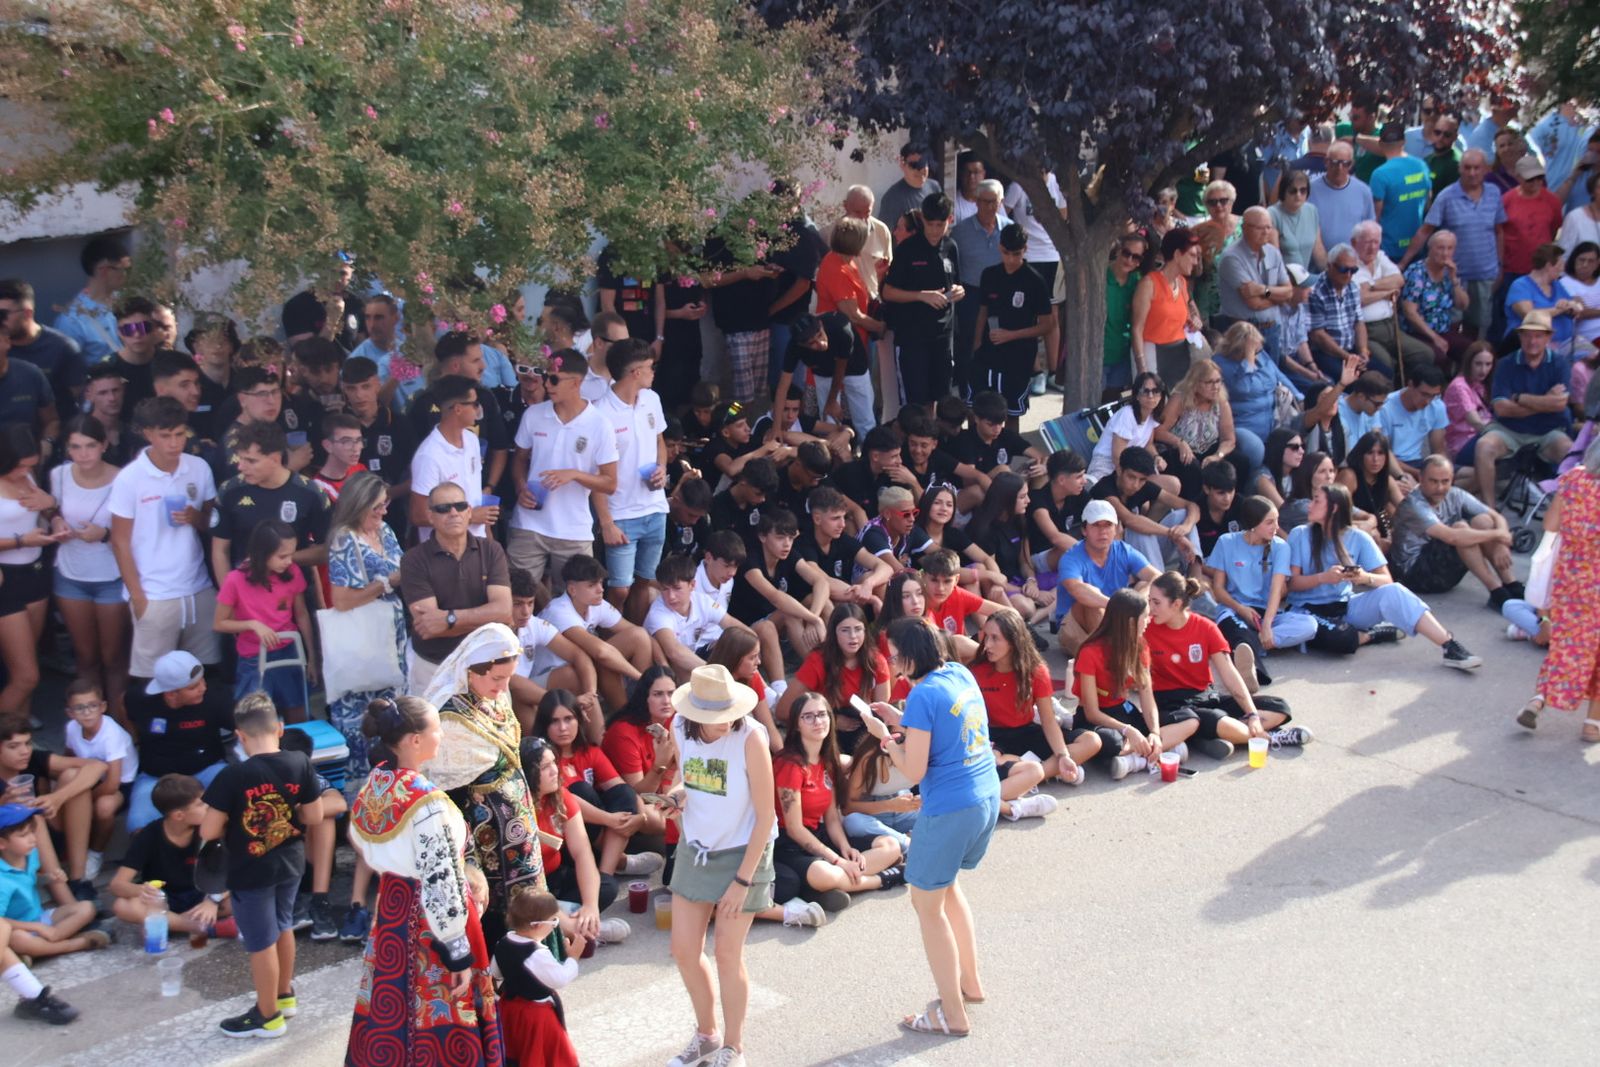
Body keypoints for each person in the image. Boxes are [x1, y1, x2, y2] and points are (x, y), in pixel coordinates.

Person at [856, 617, 999, 1039]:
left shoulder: (922, 696)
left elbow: (913, 767)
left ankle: (951, 1014)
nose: (893, 663)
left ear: (910, 655)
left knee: (926, 904)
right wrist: (901, 718)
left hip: (951, 808)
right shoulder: (958, 673)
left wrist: (885, 737)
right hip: (985, 795)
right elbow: (943, 727)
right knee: (948, 886)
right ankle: (970, 984)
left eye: (896, 655)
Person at [346, 695, 502, 1067]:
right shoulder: (426, 801)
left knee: (391, 997)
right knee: (440, 1005)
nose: (441, 736)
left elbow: (360, 841)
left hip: (391, 907)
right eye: (436, 729)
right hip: (431, 921)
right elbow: (440, 879)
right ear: (415, 739)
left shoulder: (377, 784)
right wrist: (456, 950)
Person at [653, 665, 779, 1067]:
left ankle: (734, 1047)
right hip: (698, 846)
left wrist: (743, 880)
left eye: (727, 712)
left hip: (746, 850)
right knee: (683, 950)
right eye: (712, 716)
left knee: (727, 953)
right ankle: (707, 1035)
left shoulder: (751, 737)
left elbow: (765, 815)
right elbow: (687, 779)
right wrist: (674, 797)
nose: (722, 722)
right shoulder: (678, 728)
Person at [200, 692, 325, 1038]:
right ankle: (284, 995)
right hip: (291, 862)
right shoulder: (300, 762)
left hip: (251, 869)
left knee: (259, 942)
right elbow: (314, 815)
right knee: (283, 925)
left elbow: (209, 830)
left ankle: (267, 1015)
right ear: (280, 728)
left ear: (240, 736)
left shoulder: (233, 775)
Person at [421, 623, 547, 947]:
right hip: (487, 845)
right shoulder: (450, 719)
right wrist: (468, 861)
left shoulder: (494, 697)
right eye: (496, 678)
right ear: (472, 669)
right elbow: (448, 797)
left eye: (508, 678)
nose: (503, 687)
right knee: (499, 919)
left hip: (518, 836)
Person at [1286, 482, 1481, 668]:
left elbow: (1386, 580)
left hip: (1345, 606)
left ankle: (1450, 646)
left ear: (1334, 508)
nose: (1310, 505)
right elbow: (1292, 584)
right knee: (1343, 640)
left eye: (1317, 501)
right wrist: (1322, 578)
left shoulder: (1358, 537)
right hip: (1306, 610)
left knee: (1394, 592)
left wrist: (1364, 577)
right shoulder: (1300, 534)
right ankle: (1374, 634)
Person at [108, 397, 221, 680]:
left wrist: (194, 517)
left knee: (203, 672)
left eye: (180, 434)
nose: (174, 443)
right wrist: (139, 598)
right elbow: (119, 540)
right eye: (165, 436)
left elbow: (212, 522)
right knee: (152, 680)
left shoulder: (198, 467)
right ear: (147, 434)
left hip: (198, 588)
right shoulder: (129, 478)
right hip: (154, 593)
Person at [1145, 572, 1308, 758]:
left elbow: (1229, 673)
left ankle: (1211, 737)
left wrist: (1253, 715)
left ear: (1176, 604)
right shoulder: (1146, 630)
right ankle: (1270, 737)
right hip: (1172, 705)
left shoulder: (1205, 627)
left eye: (1156, 602)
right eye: (1150, 601)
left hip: (1205, 696)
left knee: (1279, 707)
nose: (1150, 608)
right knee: (1213, 720)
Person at [770, 690, 907, 912]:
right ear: (796, 725)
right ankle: (882, 879)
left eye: (823, 714)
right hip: (789, 845)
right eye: (808, 716)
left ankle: (827, 888)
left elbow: (832, 817)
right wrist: (837, 861)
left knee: (890, 846)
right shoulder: (790, 765)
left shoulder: (827, 761)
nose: (818, 721)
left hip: (820, 835)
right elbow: (794, 829)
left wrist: (845, 849)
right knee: (824, 873)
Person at [323, 472, 406, 807]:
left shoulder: (385, 531)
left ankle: (390, 792)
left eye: (384, 505)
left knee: (391, 714)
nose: (383, 512)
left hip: (390, 635)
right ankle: (360, 803)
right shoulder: (344, 539)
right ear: (358, 505)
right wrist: (386, 583)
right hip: (361, 639)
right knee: (358, 722)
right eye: (376, 507)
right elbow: (341, 599)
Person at [1515, 435, 1600, 742]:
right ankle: (1593, 723)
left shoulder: (1574, 478)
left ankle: (1539, 700)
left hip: (1569, 580)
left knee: (1567, 645)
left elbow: (1551, 524)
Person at [48, 416, 129, 724]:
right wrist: (55, 520)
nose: (83, 454)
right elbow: (51, 509)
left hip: (111, 576)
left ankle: (121, 727)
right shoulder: (58, 475)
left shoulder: (122, 478)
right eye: (75, 447)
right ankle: (88, 726)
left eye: (90, 446)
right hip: (70, 575)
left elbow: (136, 532)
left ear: (104, 445)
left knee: (114, 658)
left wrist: (105, 535)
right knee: (85, 657)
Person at [533, 689, 662, 880]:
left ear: (579, 720)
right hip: (563, 838)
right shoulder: (544, 760)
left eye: (568, 719)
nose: (563, 728)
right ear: (545, 725)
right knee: (580, 790)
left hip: (596, 831)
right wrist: (610, 819)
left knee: (623, 793)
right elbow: (565, 801)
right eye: (555, 721)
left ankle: (606, 874)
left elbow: (623, 789)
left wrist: (641, 817)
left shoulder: (589, 752)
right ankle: (619, 861)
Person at [398, 481, 513, 695]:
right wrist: (485, 620)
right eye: (443, 508)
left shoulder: (491, 550)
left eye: (460, 506)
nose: (453, 513)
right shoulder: (413, 560)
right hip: (434, 667)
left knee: (493, 729)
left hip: (487, 665)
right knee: (433, 729)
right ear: (430, 516)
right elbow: (430, 627)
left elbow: (504, 613)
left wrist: (449, 619)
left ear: (469, 512)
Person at [521, 739, 629, 945]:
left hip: (557, 878)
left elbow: (582, 852)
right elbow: (523, 879)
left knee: (606, 887)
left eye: (554, 762)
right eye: (545, 767)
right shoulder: (518, 808)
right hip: (530, 886)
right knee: (529, 905)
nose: (554, 770)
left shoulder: (560, 796)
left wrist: (590, 906)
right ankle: (585, 931)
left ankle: (571, 923)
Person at [971, 607, 1095, 784]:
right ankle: (1039, 772)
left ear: (1013, 642)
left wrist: (1063, 755)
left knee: (1091, 741)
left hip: (1027, 731)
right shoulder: (976, 670)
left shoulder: (1036, 671)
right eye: (986, 636)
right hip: (994, 737)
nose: (987, 644)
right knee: (989, 761)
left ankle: (1030, 775)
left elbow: (1048, 720)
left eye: (995, 638)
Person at [1204, 495, 1317, 687]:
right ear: (1253, 524)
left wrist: (1266, 626)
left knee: (1309, 625)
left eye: (1277, 521)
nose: (1276, 527)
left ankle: (1253, 644)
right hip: (1234, 609)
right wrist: (1241, 609)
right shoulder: (1227, 542)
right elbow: (1218, 589)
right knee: (1234, 628)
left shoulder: (1281, 547)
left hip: (1266, 613)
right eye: (1269, 522)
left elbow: (1276, 591)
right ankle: (1253, 672)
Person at [109, 773, 234, 940]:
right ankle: (199, 927)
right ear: (179, 816)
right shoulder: (149, 836)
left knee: (245, 892)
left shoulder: (211, 828)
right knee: (122, 906)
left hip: (204, 894)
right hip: (164, 901)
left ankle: (169, 923)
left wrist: (212, 901)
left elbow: (234, 870)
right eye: (201, 804)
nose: (208, 807)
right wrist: (143, 890)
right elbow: (117, 885)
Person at [214, 520, 317, 722]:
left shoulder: (292, 571)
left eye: (292, 554)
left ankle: (296, 750)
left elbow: (302, 614)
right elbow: (219, 623)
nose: (289, 561)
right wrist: (252, 624)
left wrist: (311, 656)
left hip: (289, 649)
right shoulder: (235, 579)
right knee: (256, 717)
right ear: (263, 553)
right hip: (253, 655)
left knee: (298, 709)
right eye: (282, 556)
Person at [1400, 149, 1506, 341]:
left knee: (1480, 328)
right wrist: (1404, 262)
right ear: (1460, 169)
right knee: (1453, 327)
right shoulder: (1447, 196)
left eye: (1477, 168)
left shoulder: (1494, 193)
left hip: (1486, 273)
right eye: (1467, 167)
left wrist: (1501, 265)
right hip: (1454, 274)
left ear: (1485, 170)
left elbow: (1499, 231)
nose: (1472, 173)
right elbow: (1426, 230)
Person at [1473, 309, 1575, 503]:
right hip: (1508, 429)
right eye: (1527, 335)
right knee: (1484, 446)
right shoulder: (1505, 364)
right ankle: (1489, 508)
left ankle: (1563, 514)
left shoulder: (1560, 363)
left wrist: (1520, 398)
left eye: (1538, 336)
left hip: (1548, 431)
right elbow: (1502, 408)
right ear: (1519, 336)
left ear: (1548, 338)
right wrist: (1545, 400)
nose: (1532, 341)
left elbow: (1560, 404)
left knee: (1570, 452)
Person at [1389, 455, 1521, 604]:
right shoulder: (1413, 505)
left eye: (1445, 481)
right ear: (1421, 478)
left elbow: (1496, 516)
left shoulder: (1455, 494)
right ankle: (1497, 591)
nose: (1439, 488)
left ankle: (1511, 583)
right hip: (1413, 574)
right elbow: (1452, 537)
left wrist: (1501, 543)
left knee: (1482, 520)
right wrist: (1498, 535)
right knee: (1461, 529)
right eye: (1433, 481)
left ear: (1452, 479)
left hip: (1440, 567)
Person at [0, 718, 106, 901]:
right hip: (11, 849)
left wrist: (57, 798)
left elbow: (98, 766)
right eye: (13, 746)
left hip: (46, 837)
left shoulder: (33, 759)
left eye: (27, 743)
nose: (24, 751)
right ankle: (65, 898)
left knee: (73, 777)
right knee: (32, 816)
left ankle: (77, 880)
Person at [883, 193, 966, 412]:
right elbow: (888, 292)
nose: (935, 230)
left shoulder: (951, 247)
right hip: (913, 337)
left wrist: (959, 291)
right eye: (930, 224)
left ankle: (932, 443)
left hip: (943, 336)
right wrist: (921, 295)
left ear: (950, 220)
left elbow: (956, 283)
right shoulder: (908, 249)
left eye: (940, 224)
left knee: (941, 398)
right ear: (923, 221)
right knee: (915, 402)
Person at [0, 427, 59, 723]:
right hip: (5, 580)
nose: (26, 471)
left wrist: (53, 512)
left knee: (23, 666)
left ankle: (19, 735)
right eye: (20, 465)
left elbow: (42, 511)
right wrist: (23, 541)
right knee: (27, 676)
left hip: (34, 573)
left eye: (31, 465)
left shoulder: (28, 476)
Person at [1054, 499, 1161, 654]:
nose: (1103, 531)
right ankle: (1123, 651)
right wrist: (1118, 606)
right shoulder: (1071, 558)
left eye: (1108, 525)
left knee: (1145, 587)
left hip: (1117, 619)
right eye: (1096, 525)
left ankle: (1127, 648)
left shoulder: (1124, 551)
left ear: (1116, 528)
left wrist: (1137, 602)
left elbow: (1157, 577)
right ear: (1084, 530)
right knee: (1090, 604)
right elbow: (1077, 589)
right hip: (1076, 625)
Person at [776, 603, 890, 747]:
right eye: (845, 630)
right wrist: (832, 720)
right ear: (834, 633)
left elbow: (882, 712)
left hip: (862, 724)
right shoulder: (818, 661)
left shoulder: (876, 661)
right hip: (823, 725)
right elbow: (783, 711)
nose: (853, 636)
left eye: (858, 629)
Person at [971, 222, 1052, 419]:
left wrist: (1012, 335)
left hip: (1019, 358)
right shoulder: (989, 275)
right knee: (979, 408)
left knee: (1011, 412)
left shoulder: (1035, 281)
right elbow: (983, 311)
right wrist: (977, 344)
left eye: (1017, 254)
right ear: (1000, 248)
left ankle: (1010, 450)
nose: (1011, 259)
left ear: (1025, 249)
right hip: (988, 355)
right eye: (1007, 253)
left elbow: (1048, 325)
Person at [494, 890, 580, 1067]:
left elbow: (495, 974)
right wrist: (573, 957)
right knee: (545, 1056)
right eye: (554, 921)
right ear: (537, 925)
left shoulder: (503, 943)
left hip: (510, 1009)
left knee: (517, 1053)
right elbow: (559, 979)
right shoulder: (537, 954)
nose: (555, 925)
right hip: (536, 1015)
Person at [61, 679, 135, 873]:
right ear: (70, 713)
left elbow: (112, 784)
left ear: (103, 707)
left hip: (121, 785)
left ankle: (96, 852)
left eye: (92, 706)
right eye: (79, 708)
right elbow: (68, 756)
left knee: (104, 807)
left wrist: (81, 800)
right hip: (90, 779)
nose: (87, 712)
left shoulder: (111, 734)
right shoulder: (71, 728)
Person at [1156, 357, 1251, 498]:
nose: (1216, 387)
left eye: (1218, 381)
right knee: (1192, 468)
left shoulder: (1221, 402)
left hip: (1210, 449)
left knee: (1241, 461)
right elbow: (1158, 431)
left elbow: (1229, 440)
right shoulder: (1179, 399)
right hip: (1180, 451)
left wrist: (1218, 456)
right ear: (1195, 383)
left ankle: (1234, 503)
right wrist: (1180, 443)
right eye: (1209, 382)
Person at [1352, 220, 1436, 371]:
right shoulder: (1350, 263)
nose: (1372, 248)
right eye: (1367, 242)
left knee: (1425, 354)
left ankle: (1411, 390)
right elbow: (1361, 298)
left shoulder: (1380, 257)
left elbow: (1399, 280)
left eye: (1376, 242)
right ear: (1354, 242)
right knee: (1386, 364)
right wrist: (1387, 292)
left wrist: (1371, 286)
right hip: (1367, 331)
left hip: (1391, 325)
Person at [0, 277, 86, 419]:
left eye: (2, 315)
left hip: (55, 430)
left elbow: (82, 399)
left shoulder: (62, 347)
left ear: (27, 313)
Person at [1131, 227, 1204, 384]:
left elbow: (1184, 316)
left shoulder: (1182, 283)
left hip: (1179, 355)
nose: (1196, 261)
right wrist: (1142, 369)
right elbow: (1137, 329)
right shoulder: (1149, 284)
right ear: (1177, 255)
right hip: (1153, 353)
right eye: (1192, 255)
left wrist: (1193, 321)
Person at [1213, 321, 1293, 465]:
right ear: (1237, 349)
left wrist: (1299, 397)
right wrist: (1249, 359)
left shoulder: (1261, 355)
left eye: (1258, 350)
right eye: (1253, 350)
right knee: (1255, 449)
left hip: (1273, 420)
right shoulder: (1220, 364)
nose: (1257, 355)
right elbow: (1243, 388)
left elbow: (1278, 375)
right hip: (1244, 428)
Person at [53, 235, 128, 364]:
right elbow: (68, 371)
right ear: (104, 270)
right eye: (124, 270)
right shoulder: (72, 321)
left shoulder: (128, 302)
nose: (127, 275)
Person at [1368, 122, 1433, 261]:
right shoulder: (1421, 165)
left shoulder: (1380, 174)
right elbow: (1428, 203)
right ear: (1403, 142)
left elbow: (1375, 216)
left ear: (1380, 144)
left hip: (1389, 249)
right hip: (1417, 245)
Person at [1337, 429, 1406, 553]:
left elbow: (1405, 508)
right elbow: (1338, 511)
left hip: (1379, 534)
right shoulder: (1349, 476)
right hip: (1352, 531)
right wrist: (1369, 527)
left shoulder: (1386, 480)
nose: (1375, 459)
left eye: (1380, 453)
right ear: (1361, 454)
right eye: (1370, 453)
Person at [1307, 142, 1376, 251]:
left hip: (1353, 261)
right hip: (1318, 260)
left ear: (1351, 164)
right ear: (1326, 162)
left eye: (1345, 163)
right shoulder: (1310, 190)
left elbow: (1369, 228)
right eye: (1335, 163)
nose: (1340, 168)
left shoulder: (1364, 191)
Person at [1444, 343, 1497, 471]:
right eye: (1478, 364)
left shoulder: (1482, 385)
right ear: (1469, 363)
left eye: (1488, 364)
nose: (1483, 370)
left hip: (1481, 438)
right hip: (1462, 445)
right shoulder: (1459, 386)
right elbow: (1475, 421)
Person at [1268, 170, 1325, 269]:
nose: (1298, 195)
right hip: (1281, 279)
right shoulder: (1271, 214)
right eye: (1292, 191)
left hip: (1304, 276)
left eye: (1303, 190)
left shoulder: (1311, 210)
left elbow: (1318, 251)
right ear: (1283, 192)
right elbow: (1274, 261)